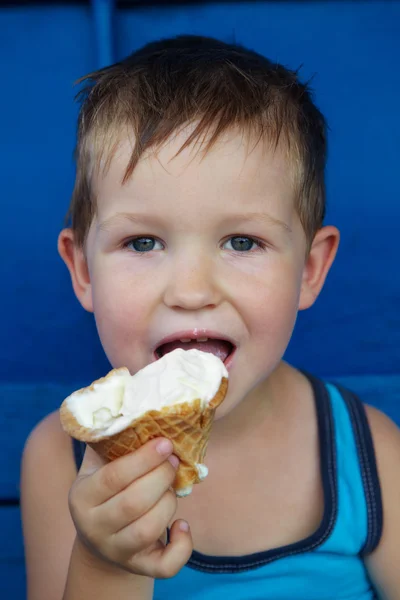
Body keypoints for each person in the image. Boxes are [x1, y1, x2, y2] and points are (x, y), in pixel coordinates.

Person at [20, 34, 400, 600]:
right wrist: (107, 562)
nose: (192, 292)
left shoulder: (369, 452)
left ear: (310, 270)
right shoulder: (61, 457)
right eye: (143, 242)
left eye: (242, 242)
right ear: (83, 273)